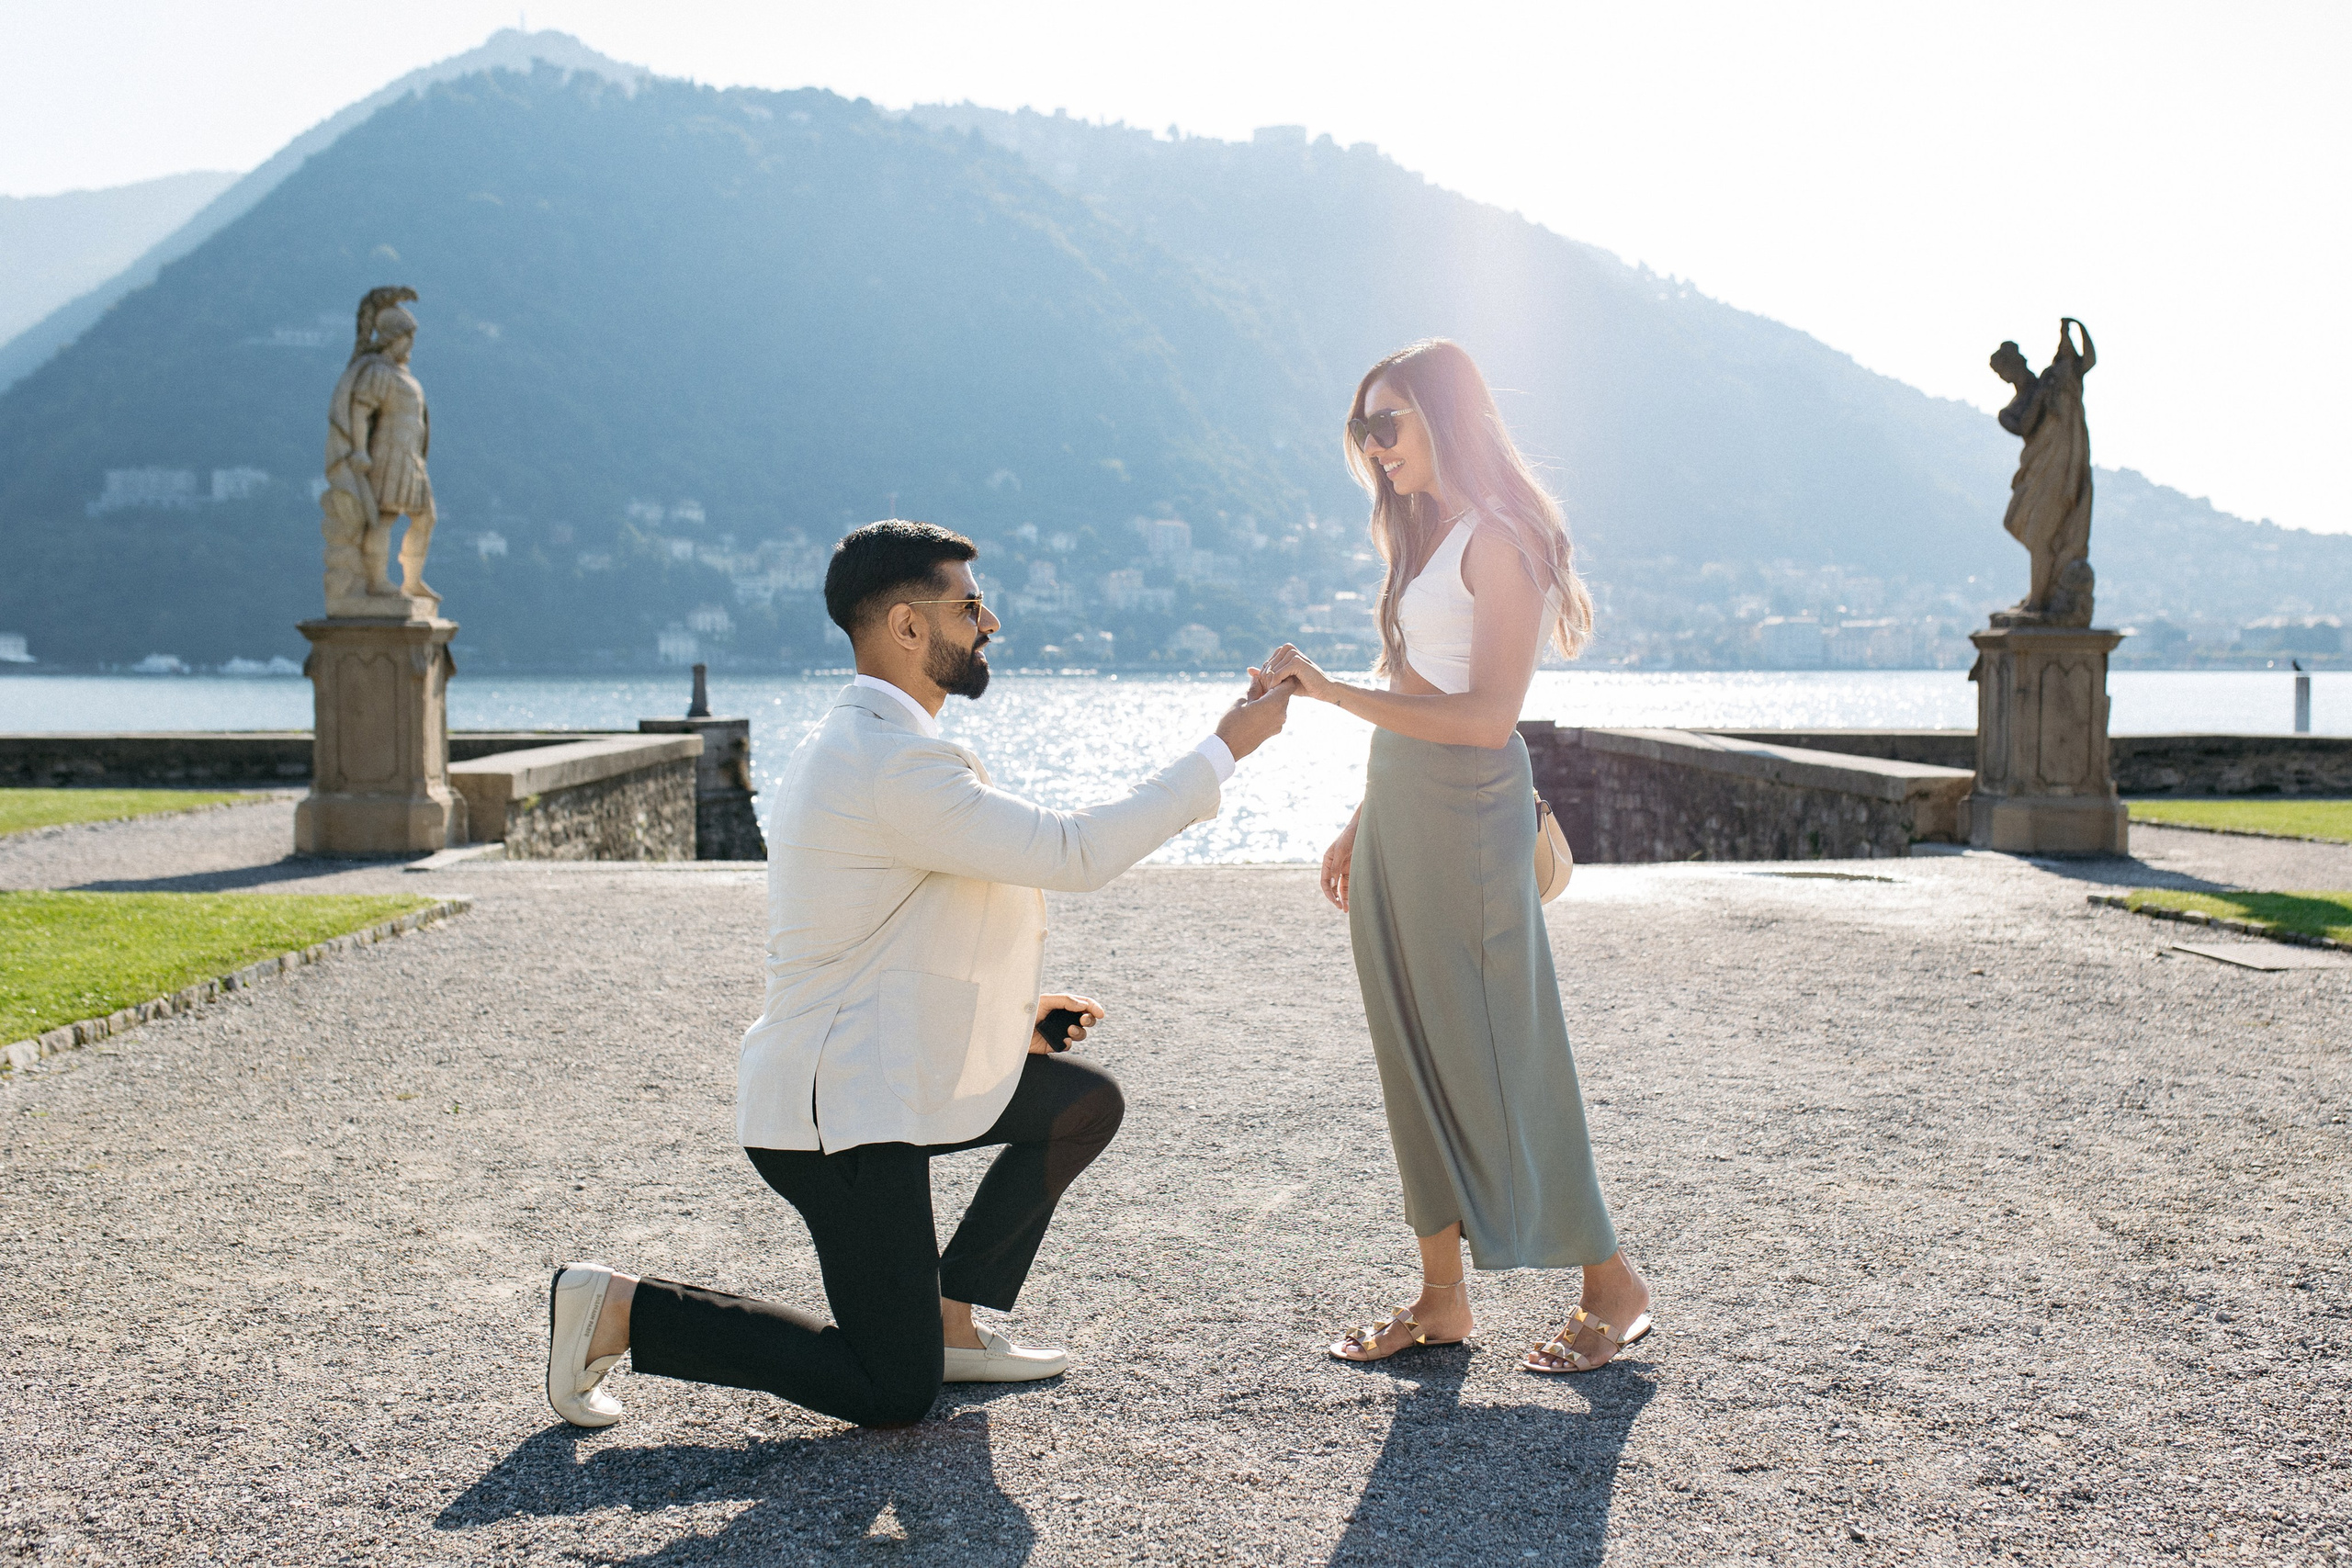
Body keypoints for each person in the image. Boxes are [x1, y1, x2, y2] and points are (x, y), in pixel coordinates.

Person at [547, 520, 1292, 1429]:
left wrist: (1019, 1014)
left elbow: (910, 928)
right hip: (841, 1115)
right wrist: (1226, 746)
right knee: (889, 1391)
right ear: (906, 626)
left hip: (878, 1080)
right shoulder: (887, 760)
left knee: (1076, 1105)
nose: (991, 622)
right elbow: (1075, 851)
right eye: (969, 605)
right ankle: (620, 1309)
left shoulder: (882, 744)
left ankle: (949, 1322)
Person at [1257, 339, 1651, 1374]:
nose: (1373, 447)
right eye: (1362, 429)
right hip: (1405, 805)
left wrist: (1329, 694)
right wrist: (1364, 810)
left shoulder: (1501, 542)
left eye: (1388, 423)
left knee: (1502, 1049)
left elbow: (1485, 720)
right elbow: (1423, 697)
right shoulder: (1427, 539)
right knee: (1411, 1051)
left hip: (1472, 814)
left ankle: (1611, 1281)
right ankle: (1441, 1301)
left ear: (1445, 418)